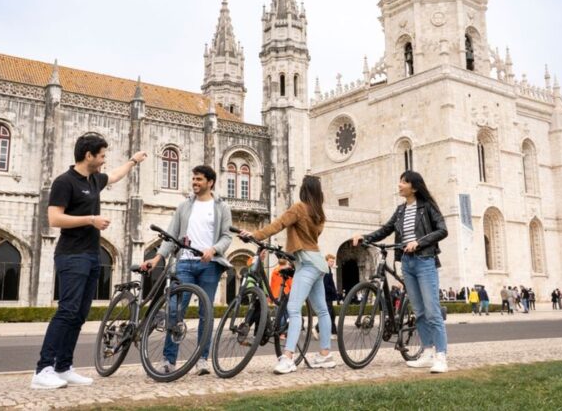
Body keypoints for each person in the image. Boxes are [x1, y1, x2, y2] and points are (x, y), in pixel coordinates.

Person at [31, 133, 147, 389]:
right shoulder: (65, 182)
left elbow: (115, 175)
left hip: (91, 255)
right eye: (102, 155)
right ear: (89, 155)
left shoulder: (94, 180)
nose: (105, 160)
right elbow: (54, 219)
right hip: (72, 255)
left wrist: (134, 161)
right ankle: (43, 369)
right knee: (67, 311)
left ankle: (63, 367)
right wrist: (91, 220)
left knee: (80, 315)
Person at [352, 170, 449, 374]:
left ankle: (441, 356)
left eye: (403, 182)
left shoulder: (427, 207)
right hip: (407, 262)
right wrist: (365, 237)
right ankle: (427, 352)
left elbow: (442, 230)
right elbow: (385, 230)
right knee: (420, 312)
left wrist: (419, 242)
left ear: (413, 187)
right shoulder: (400, 210)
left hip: (425, 261)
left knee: (432, 311)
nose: (399, 185)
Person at [240, 175, 336, 374]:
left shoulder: (300, 208)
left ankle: (289, 357)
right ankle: (326, 355)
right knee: (323, 311)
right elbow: (309, 236)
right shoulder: (319, 213)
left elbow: (279, 224)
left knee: (293, 309)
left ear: (304, 189)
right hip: (317, 262)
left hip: (307, 264)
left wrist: (255, 235)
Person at [142, 165, 233, 376]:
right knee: (175, 310)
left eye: (199, 179)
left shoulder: (221, 207)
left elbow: (227, 237)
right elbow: (171, 236)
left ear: (210, 182)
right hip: (184, 263)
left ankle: (202, 360)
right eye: (193, 179)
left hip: (209, 265)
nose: (195, 182)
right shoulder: (184, 206)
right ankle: (169, 360)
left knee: (206, 313)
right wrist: (157, 259)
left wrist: (214, 249)